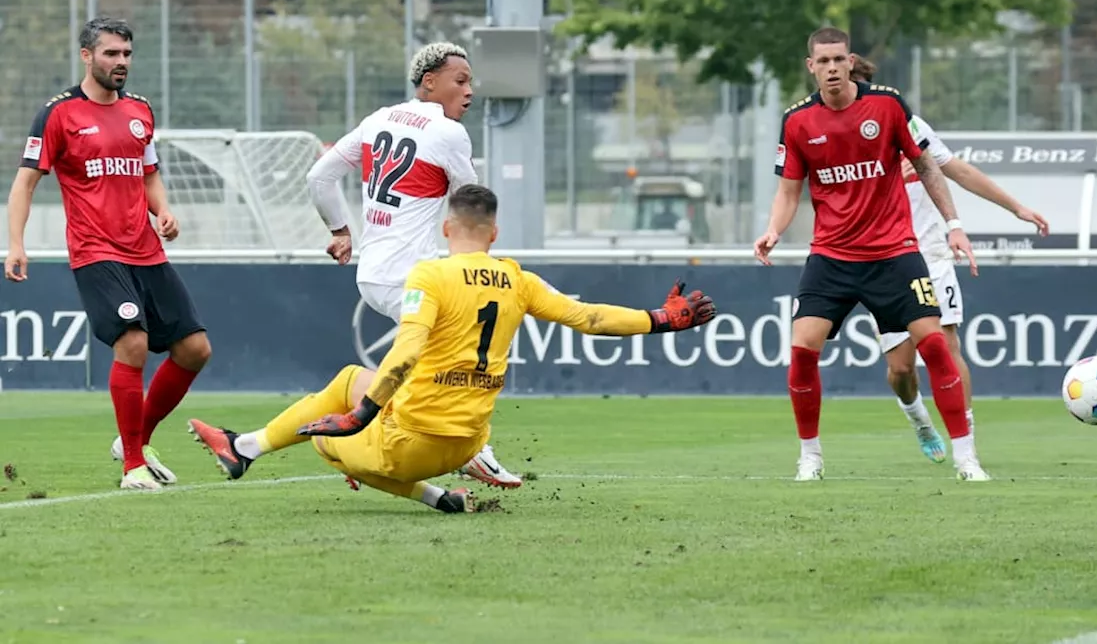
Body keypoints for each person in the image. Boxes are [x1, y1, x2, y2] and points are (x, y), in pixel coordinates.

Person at [187, 184, 717, 513]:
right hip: (465, 444)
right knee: (351, 379)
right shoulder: (519, 279)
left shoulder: (431, 274)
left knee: (327, 439)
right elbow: (589, 318)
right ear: (494, 233)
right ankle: (438, 496)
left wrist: (360, 418)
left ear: (446, 228)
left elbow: (409, 346)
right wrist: (660, 320)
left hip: (411, 443)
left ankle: (253, 450)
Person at [754, 26, 986, 483]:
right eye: (823, 62)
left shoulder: (886, 104)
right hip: (833, 257)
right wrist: (772, 230)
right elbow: (788, 191)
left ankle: (967, 458)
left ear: (851, 60)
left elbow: (928, 166)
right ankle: (810, 458)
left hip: (895, 253)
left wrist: (954, 225)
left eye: (839, 59)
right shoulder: (798, 121)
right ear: (811, 67)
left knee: (936, 345)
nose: (832, 68)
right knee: (802, 351)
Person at [303, 41, 522, 490]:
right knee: (454, 354)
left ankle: (362, 440)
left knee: (429, 358)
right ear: (429, 82)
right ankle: (472, 451)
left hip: (372, 273)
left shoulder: (377, 119)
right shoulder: (447, 132)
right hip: (411, 276)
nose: (469, 91)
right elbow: (470, 205)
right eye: (460, 81)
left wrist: (342, 232)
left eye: (471, 82)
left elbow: (318, 178)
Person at [5, 17, 211, 491]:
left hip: (147, 248)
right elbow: (26, 181)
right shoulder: (59, 113)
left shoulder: (140, 110)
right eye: (111, 54)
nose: (121, 62)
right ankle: (133, 466)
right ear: (87, 56)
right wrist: (17, 243)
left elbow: (149, 172)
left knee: (195, 349)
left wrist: (164, 210)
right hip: (96, 251)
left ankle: (134, 439)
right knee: (133, 343)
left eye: (127, 54)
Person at [849, 56, 1050, 465]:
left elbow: (958, 170)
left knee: (947, 343)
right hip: (882, 258)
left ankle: (967, 443)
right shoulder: (837, 138)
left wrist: (1016, 208)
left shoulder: (909, 125)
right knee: (901, 369)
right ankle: (920, 420)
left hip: (931, 254)